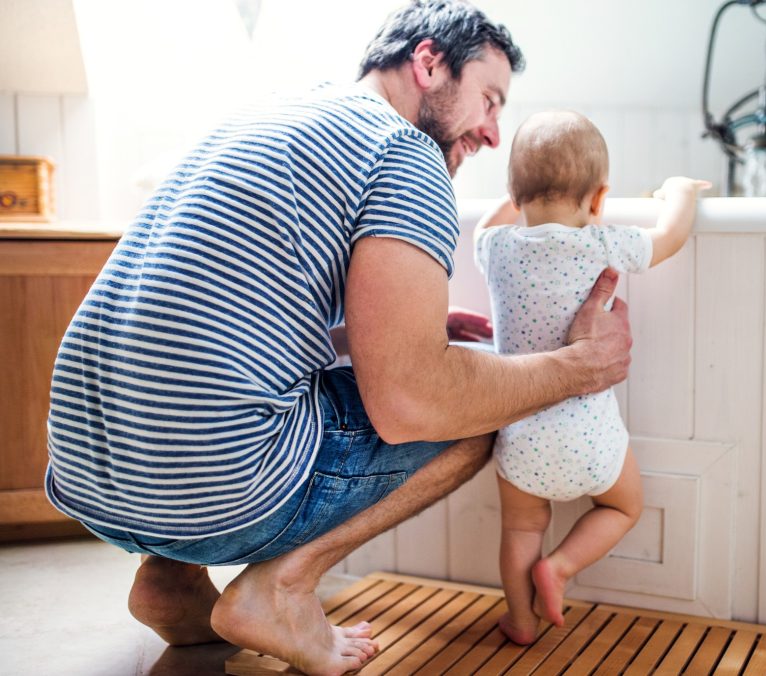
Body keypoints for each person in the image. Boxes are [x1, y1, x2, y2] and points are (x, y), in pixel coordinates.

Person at [43, 3, 634, 675]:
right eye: (489, 100)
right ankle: (282, 589)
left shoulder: (268, 115)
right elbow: (413, 403)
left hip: (87, 476)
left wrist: (378, 333)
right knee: (477, 406)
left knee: (237, 386)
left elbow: (230, 318)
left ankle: (169, 579)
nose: (495, 134)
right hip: (216, 491)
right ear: (429, 62)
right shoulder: (404, 151)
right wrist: (579, 366)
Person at [473, 110, 710, 645]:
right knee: (624, 506)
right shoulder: (603, 244)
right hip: (590, 438)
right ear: (599, 199)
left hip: (520, 436)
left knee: (520, 528)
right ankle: (559, 568)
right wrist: (679, 191)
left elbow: (484, 226)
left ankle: (521, 621)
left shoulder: (496, 248)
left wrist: (516, 195)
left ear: (514, 193)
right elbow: (670, 236)